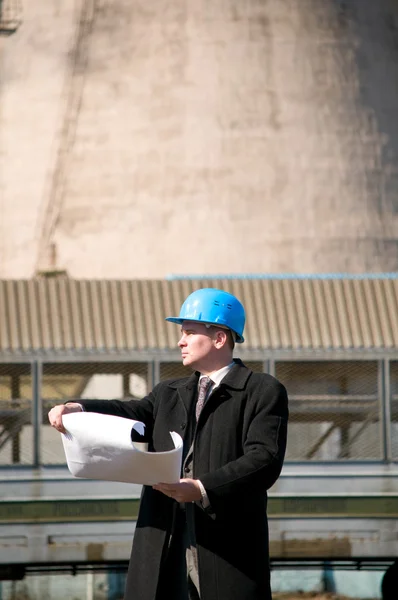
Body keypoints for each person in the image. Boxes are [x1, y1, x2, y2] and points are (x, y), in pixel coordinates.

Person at [48, 288, 289, 600]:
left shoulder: (262, 390)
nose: (180, 341)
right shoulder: (168, 393)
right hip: (165, 539)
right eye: (181, 333)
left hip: (226, 546)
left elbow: (264, 459)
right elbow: (129, 413)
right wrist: (77, 408)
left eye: (189, 332)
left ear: (219, 338)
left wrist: (201, 488)